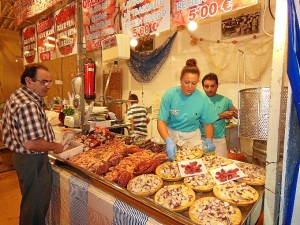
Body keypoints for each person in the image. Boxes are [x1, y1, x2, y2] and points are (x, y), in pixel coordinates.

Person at [1, 63, 64, 225]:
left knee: (29, 202)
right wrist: (55, 146)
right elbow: (32, 144)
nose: (48, 86)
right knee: (35, 207)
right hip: (33, 161)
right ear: (29, 81)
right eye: (43, 82)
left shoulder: (17, 96)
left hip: (21, 158)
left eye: (49, 82)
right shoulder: (28, 104)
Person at [157, 59, 219, 160]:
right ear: (181, 79)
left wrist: (208, 140)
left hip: (192, 138)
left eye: (194, 83)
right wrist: (168, 140)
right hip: (171, 136)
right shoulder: (170, 95)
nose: (190, 87)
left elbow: (208, 123)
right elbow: (161, 121)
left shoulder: (202, 98)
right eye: (186, 82)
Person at [200, 72, 238, 158]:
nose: (209, 89)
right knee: (203, 166)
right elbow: (200, 119)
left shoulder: (225, 101)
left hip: (219, 140)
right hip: (203, 139)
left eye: (212, 86)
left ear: (217, 85)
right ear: (203, 86)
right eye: (206, 86)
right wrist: (221, 115)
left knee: (221, 166)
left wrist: (237, 113)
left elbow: (237, 114)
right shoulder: (199, 101)